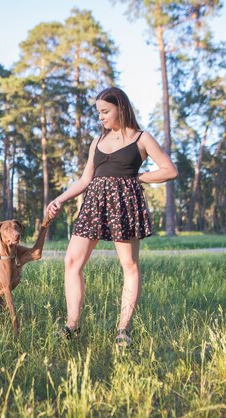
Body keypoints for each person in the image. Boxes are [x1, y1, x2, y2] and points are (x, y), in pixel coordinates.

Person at [46, 86, 178, 347]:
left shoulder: (142, 138)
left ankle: (123, 330)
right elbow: (86, 178)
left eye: (105, 111)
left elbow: (169, 170)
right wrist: (60, 199)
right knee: (72, 261)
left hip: (124, 205)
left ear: (121, 107)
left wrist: (138, 178)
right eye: (98, 113)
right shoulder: (98, 141)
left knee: (129, 265)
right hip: (94, 204)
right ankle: (73, 325)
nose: (101, 118)